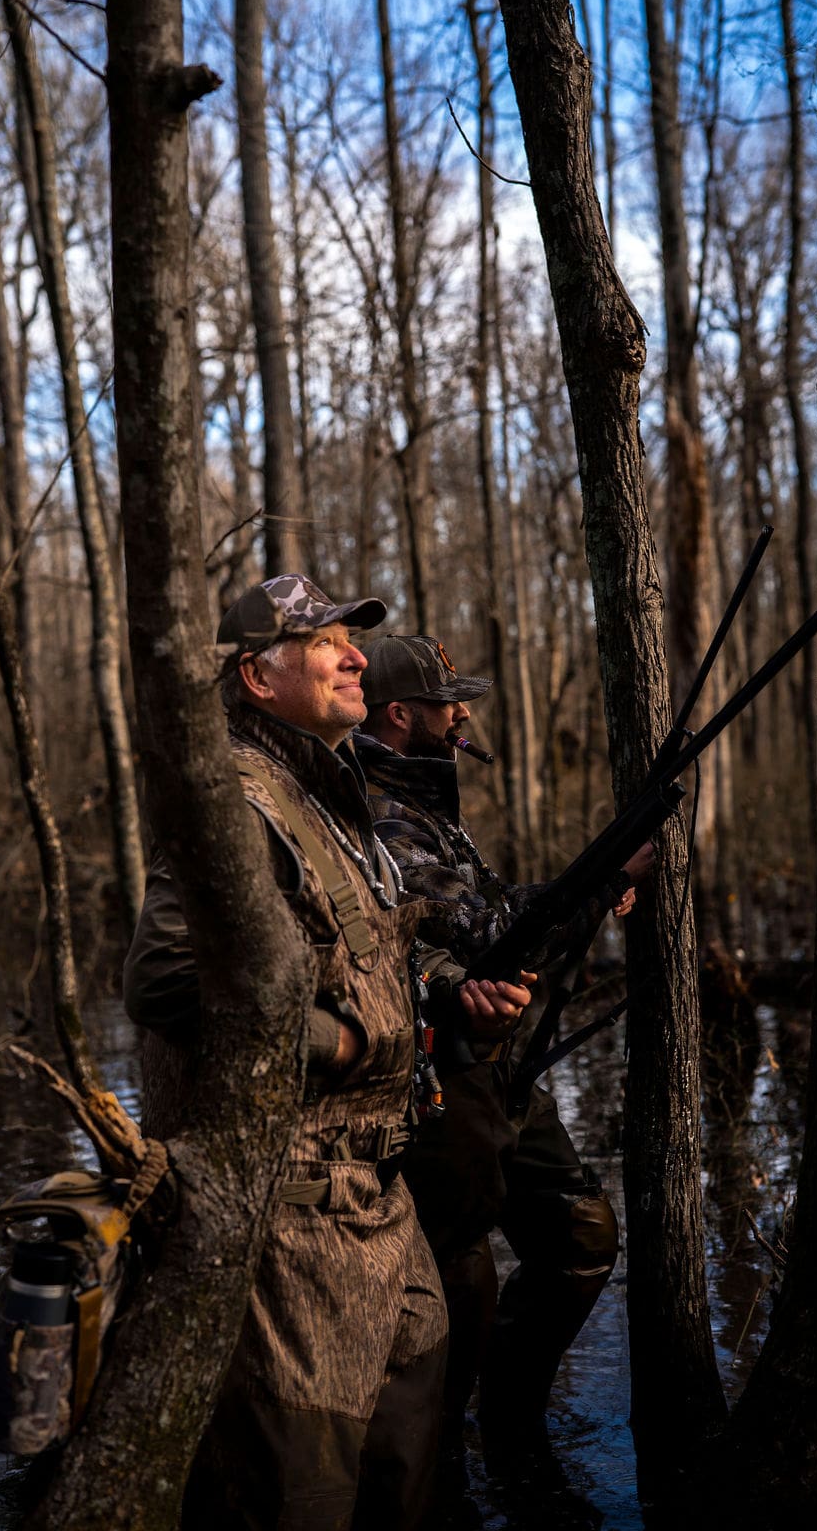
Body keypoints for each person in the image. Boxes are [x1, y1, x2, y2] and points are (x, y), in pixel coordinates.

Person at [123, 580, 534, 1531]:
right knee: (301, 1499)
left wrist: (459, 1012)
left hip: (384, 1210)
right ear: (256, 678)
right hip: (289, 1227)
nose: (355, 657)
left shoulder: (334, 797)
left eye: (352, 639)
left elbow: (369, 957)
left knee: (411, 1489)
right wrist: (338, 1040)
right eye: (326, 643)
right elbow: (165, 978)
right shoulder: (233, 796)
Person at [355, 633, 651, 1489]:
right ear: (400, 714)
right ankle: (446, 1465)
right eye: (448, 703)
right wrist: (599, 879)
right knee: (458, 1265)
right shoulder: (382, 813)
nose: (463, 717)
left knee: (581, 1233)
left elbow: (489, 912)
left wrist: (590, 884)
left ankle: (510, 1430)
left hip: (498, 1065)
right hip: (439, 1076)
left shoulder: (428, 802)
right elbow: (486, 939)